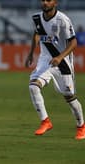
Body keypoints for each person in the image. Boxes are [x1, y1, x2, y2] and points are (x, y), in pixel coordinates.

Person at [25, 0, 85, 140]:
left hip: (62, 62)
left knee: (69, 97)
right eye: (43, 0)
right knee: (33, 86)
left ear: (55, 3)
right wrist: (31, 53)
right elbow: (36, 34)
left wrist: (60, 57)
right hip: (45, 60)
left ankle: (81, 126)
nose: (45, 3)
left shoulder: (63, 20)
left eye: (48, 0)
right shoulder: (37, 18)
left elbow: (74, 42)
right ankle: (45, 121)